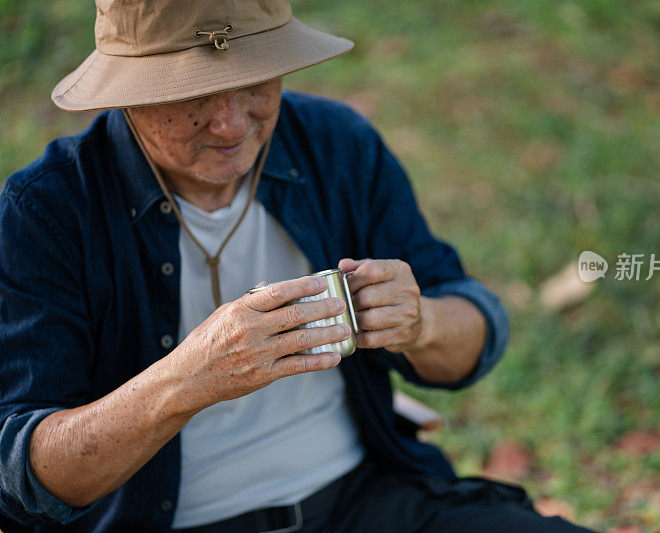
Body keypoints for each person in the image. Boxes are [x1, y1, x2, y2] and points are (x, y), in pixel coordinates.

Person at [0, 1, 594, 532]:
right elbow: (25, 476)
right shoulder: (45, 213)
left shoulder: (335, 143)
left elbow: (476, 331)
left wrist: (424, 323)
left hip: (365, 499)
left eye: (256, 82)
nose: (232, 123)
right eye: (191, 94)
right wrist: (187, 379)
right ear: (127, 91)